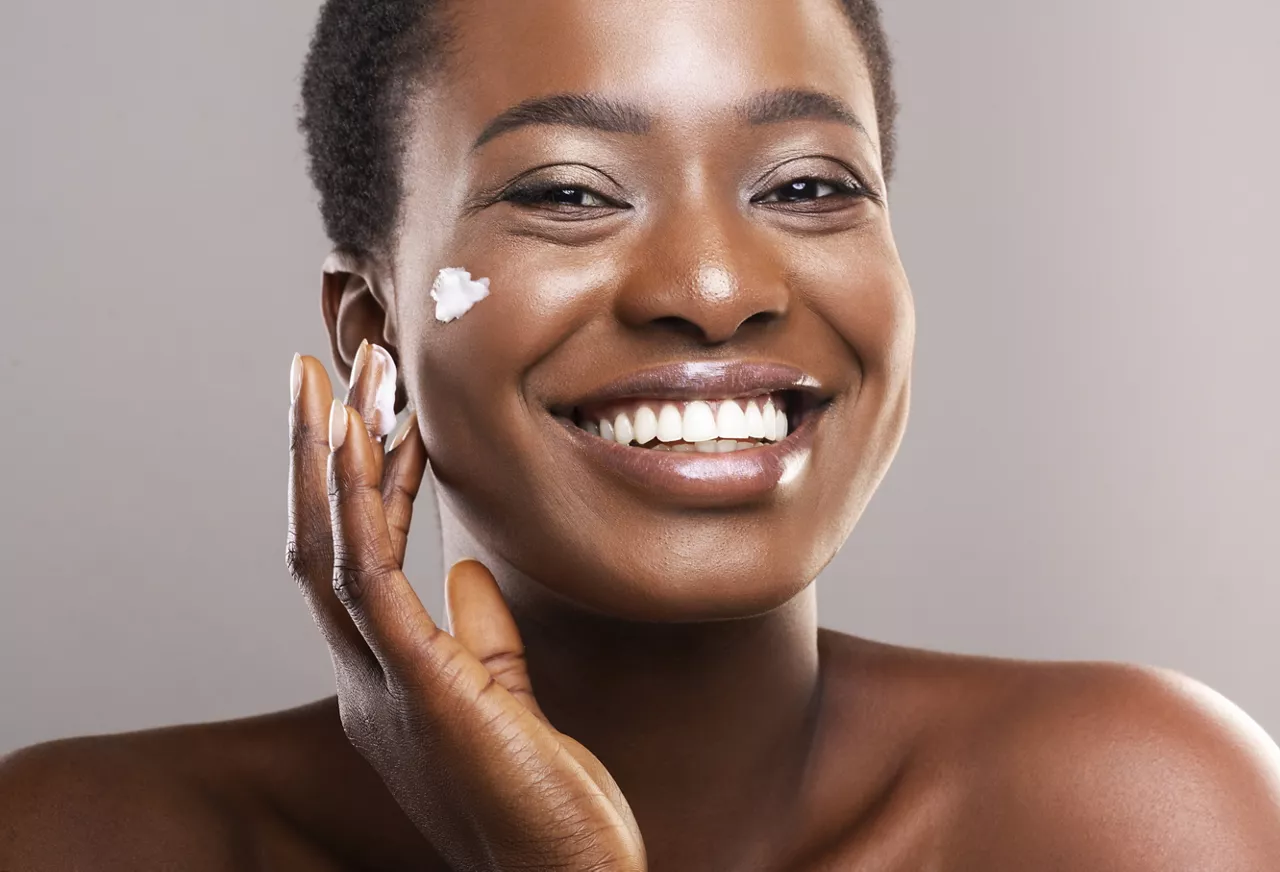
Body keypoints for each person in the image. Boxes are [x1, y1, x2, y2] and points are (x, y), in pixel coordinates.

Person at [3, 1, 1278, 869]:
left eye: (807, 185)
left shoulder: (1130, 811)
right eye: (567, 192)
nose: (716, 287)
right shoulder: (88, 838)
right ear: (369, 326)